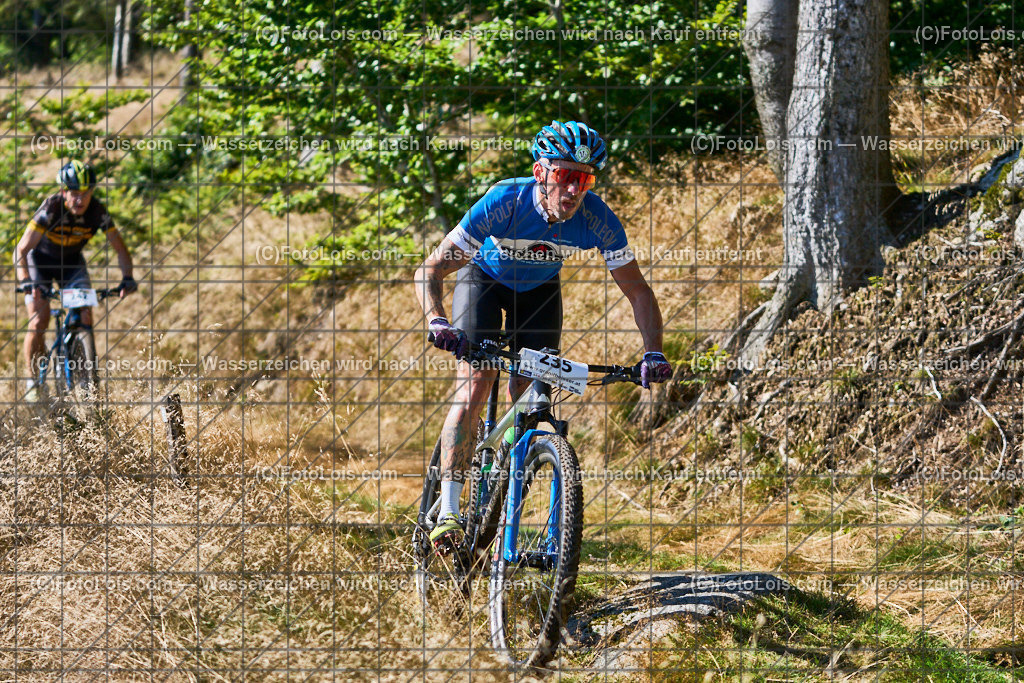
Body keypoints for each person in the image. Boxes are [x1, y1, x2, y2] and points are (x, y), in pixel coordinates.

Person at [414, 120, 671, 552]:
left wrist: (653, 352)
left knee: (533, 397)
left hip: (538, 292)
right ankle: (449, 513)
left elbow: (638, 291)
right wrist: (438, 321)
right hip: (483, 281)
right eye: (564, 175)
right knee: (476, 381)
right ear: (540, 172)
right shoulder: (505, 200)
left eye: (584, 180)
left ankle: (505, 474)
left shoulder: (596, 219)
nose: (573, 189)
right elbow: (431, 269)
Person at [14, 160, 137, 401]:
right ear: (64, 192)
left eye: (85, 193)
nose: (80, 200)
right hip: (39, 261)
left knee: (85, 314)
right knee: (39, 320)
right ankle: (33, 382)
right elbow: (21, 249)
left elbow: (121, 249)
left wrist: (127, 278)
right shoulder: (51, 208)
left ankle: (85, 379)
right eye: (74, 194)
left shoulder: (98, 212)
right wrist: (26, 280)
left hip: (71, 263)